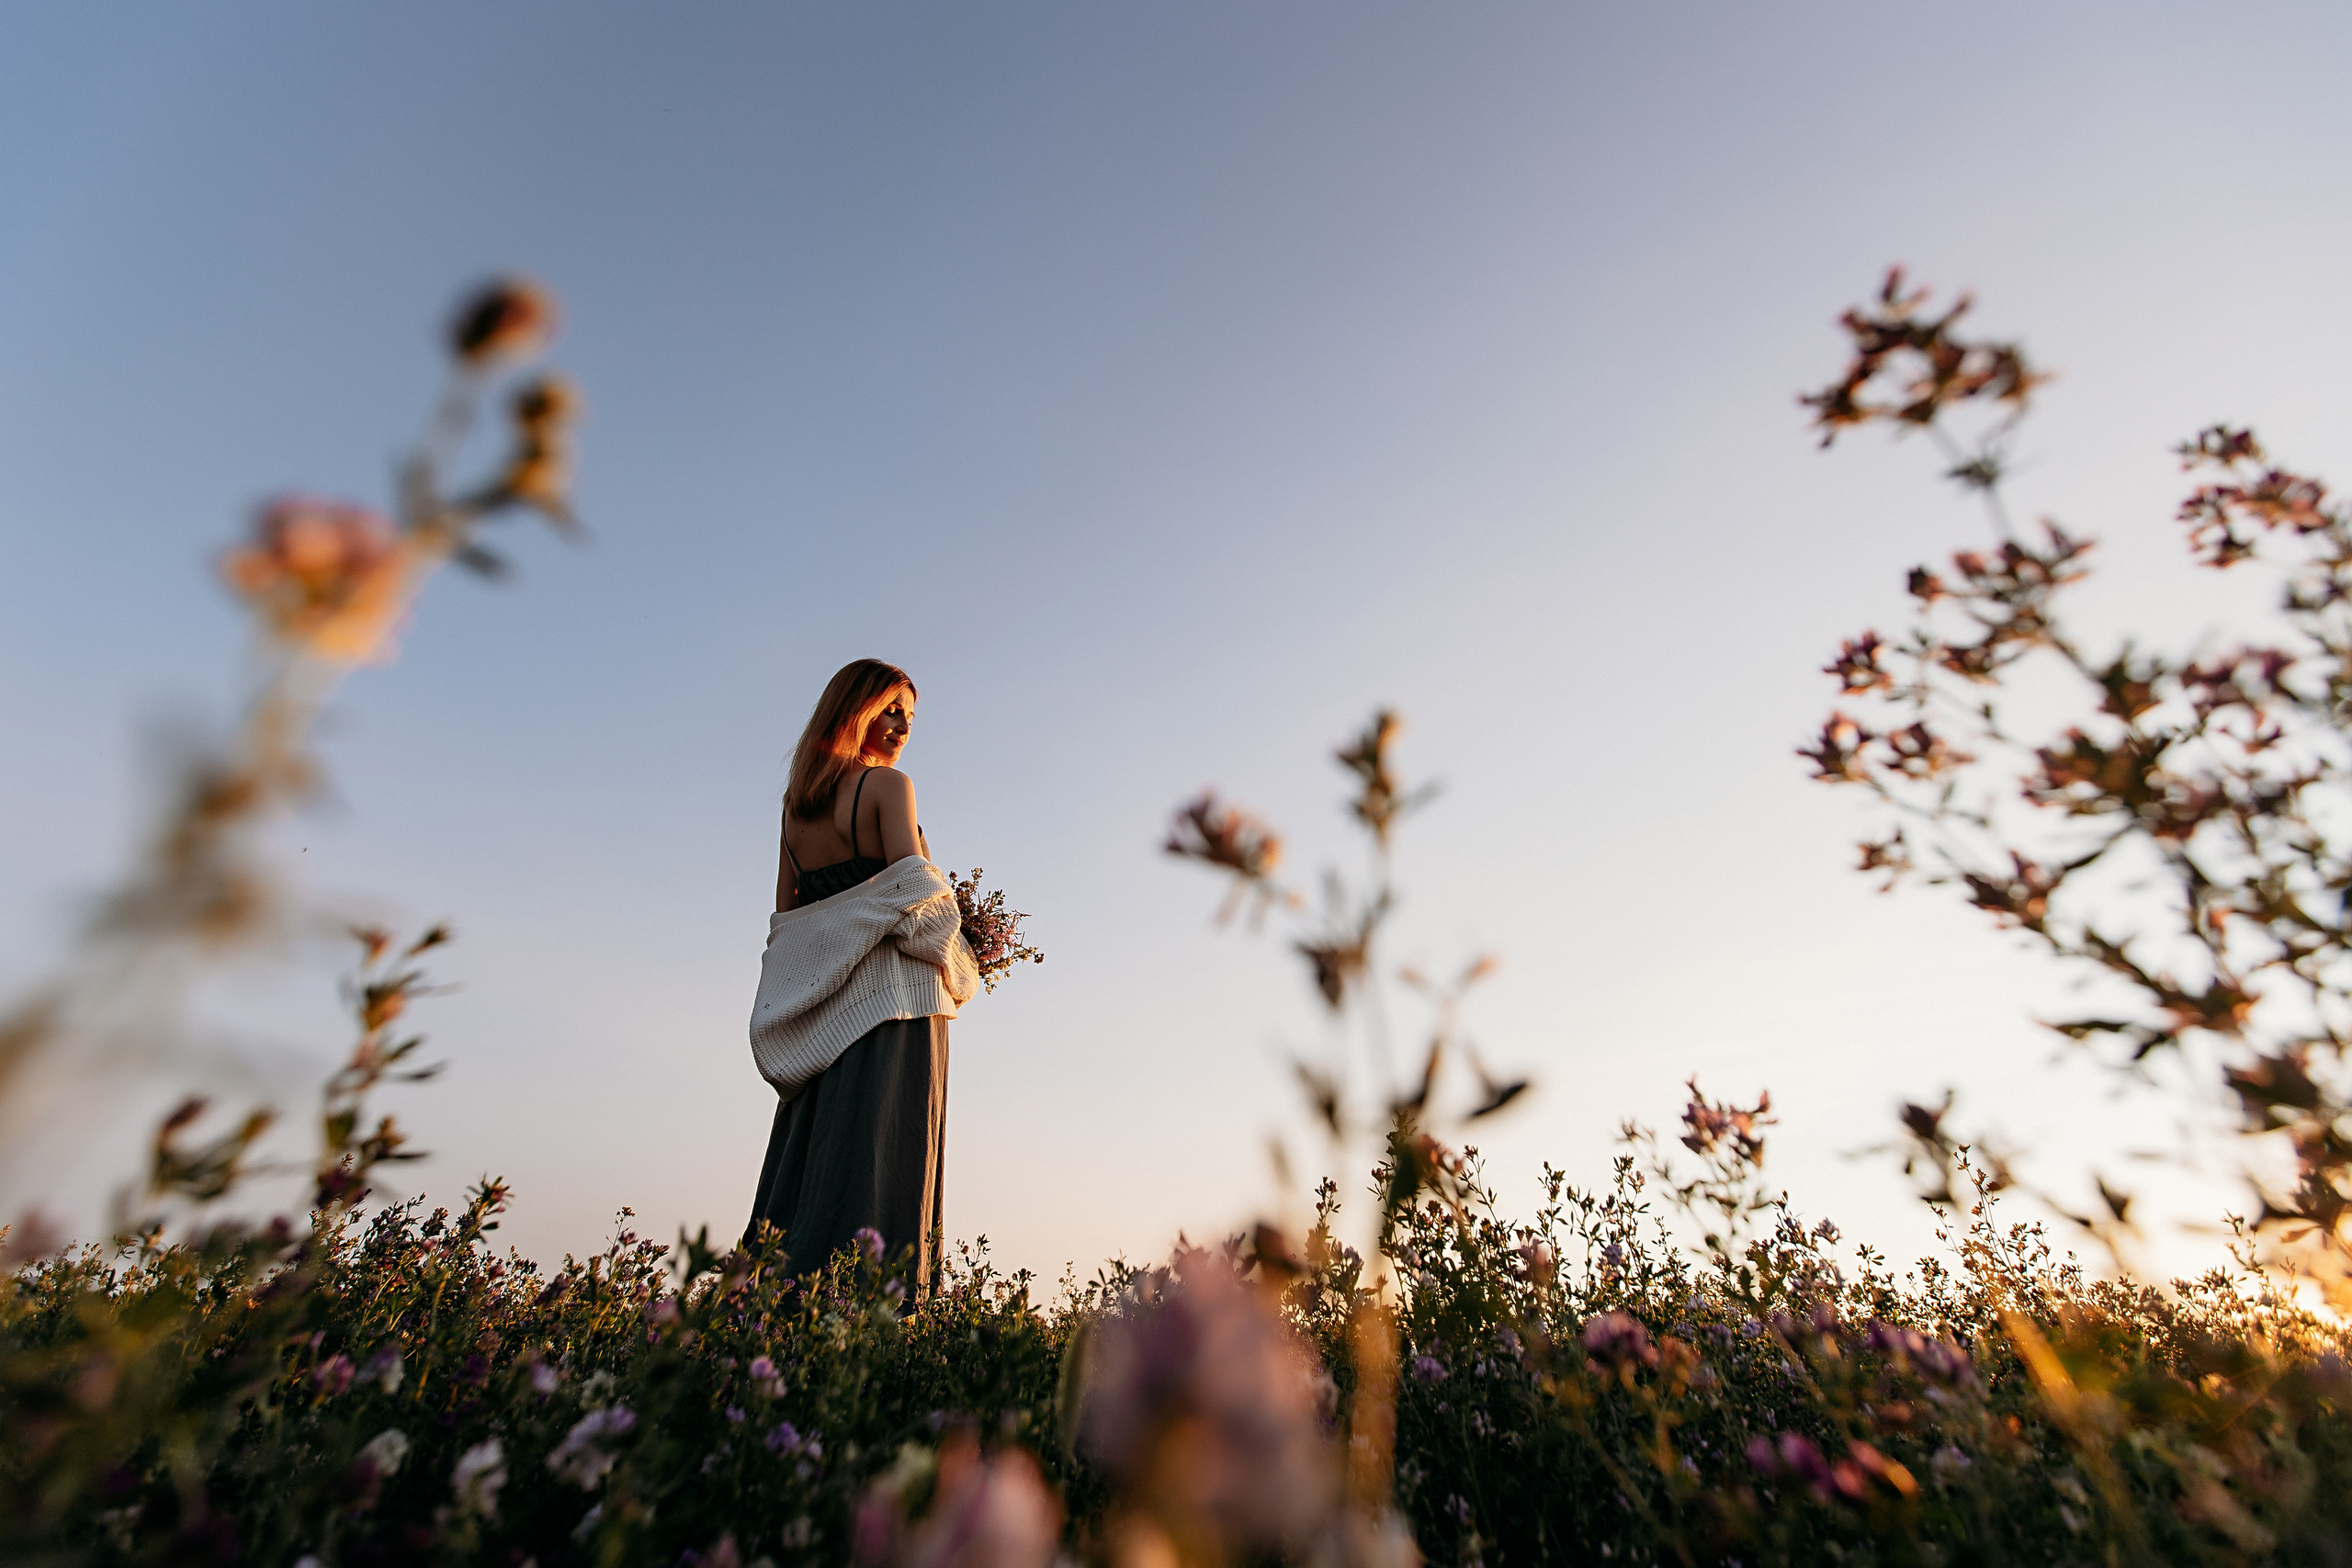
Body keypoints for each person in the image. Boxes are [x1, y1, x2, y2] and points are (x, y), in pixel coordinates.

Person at [744, 658, 977, 1288]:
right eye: (890, 707)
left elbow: (786, 923)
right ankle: (876, 1320)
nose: (902, 724)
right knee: (887, 1156)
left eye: (909, 714)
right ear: (855, 710)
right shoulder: (887, 788)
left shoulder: (796, 811)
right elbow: (917, 898)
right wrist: (964, 954)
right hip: (897, 1004)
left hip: (824, 1015)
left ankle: (773, 1311)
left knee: (815, 1161)